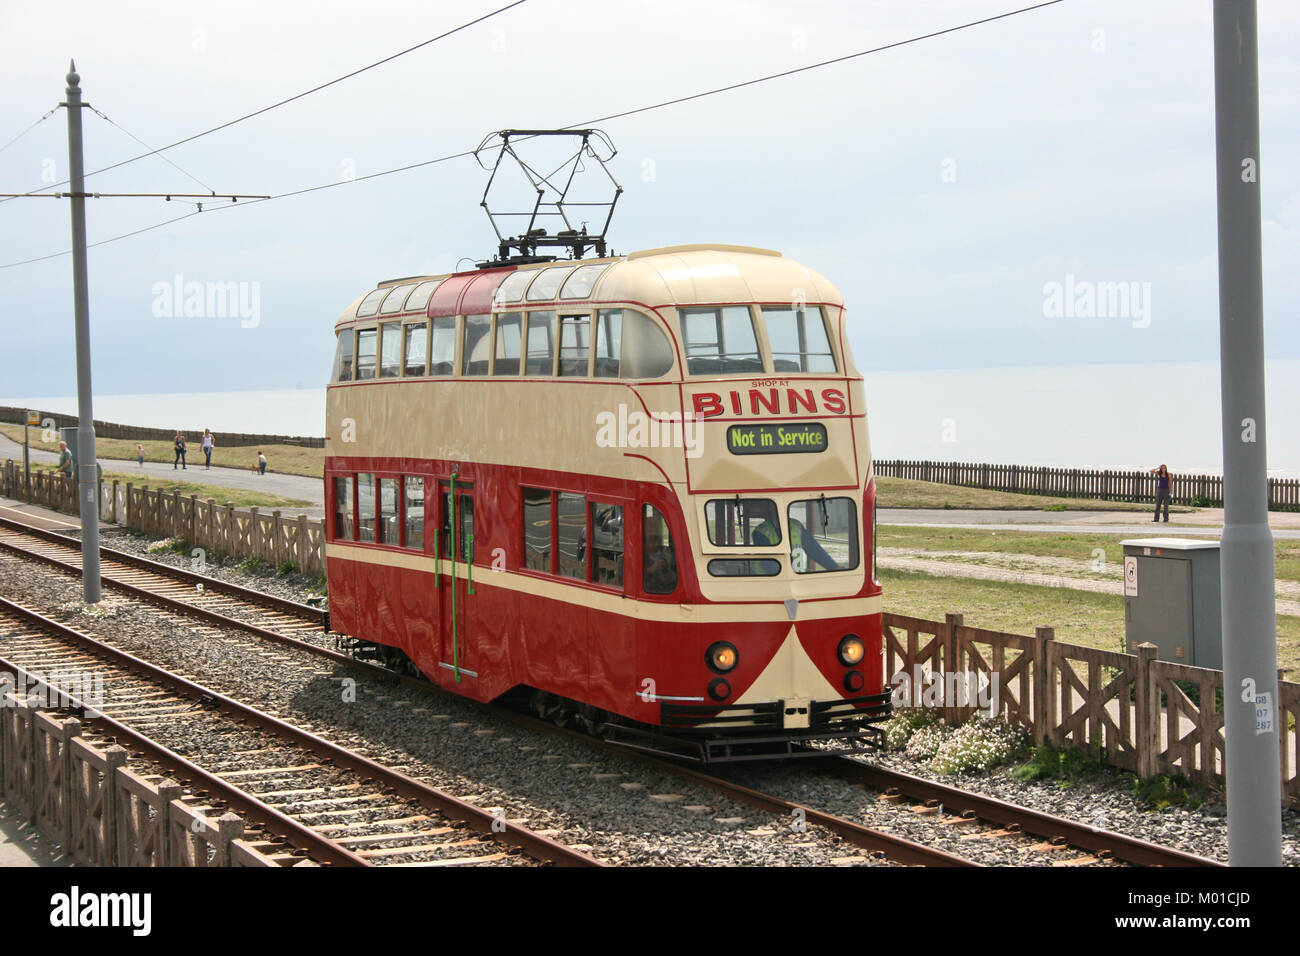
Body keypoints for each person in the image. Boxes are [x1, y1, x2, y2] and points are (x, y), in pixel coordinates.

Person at [642, 517, 676, 594]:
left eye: (657, 538)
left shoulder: (668, 552)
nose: (655, 543)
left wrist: (673, 576)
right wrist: (650, 570)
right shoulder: (636, 555)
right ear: (643, 540)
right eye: (651, 539)